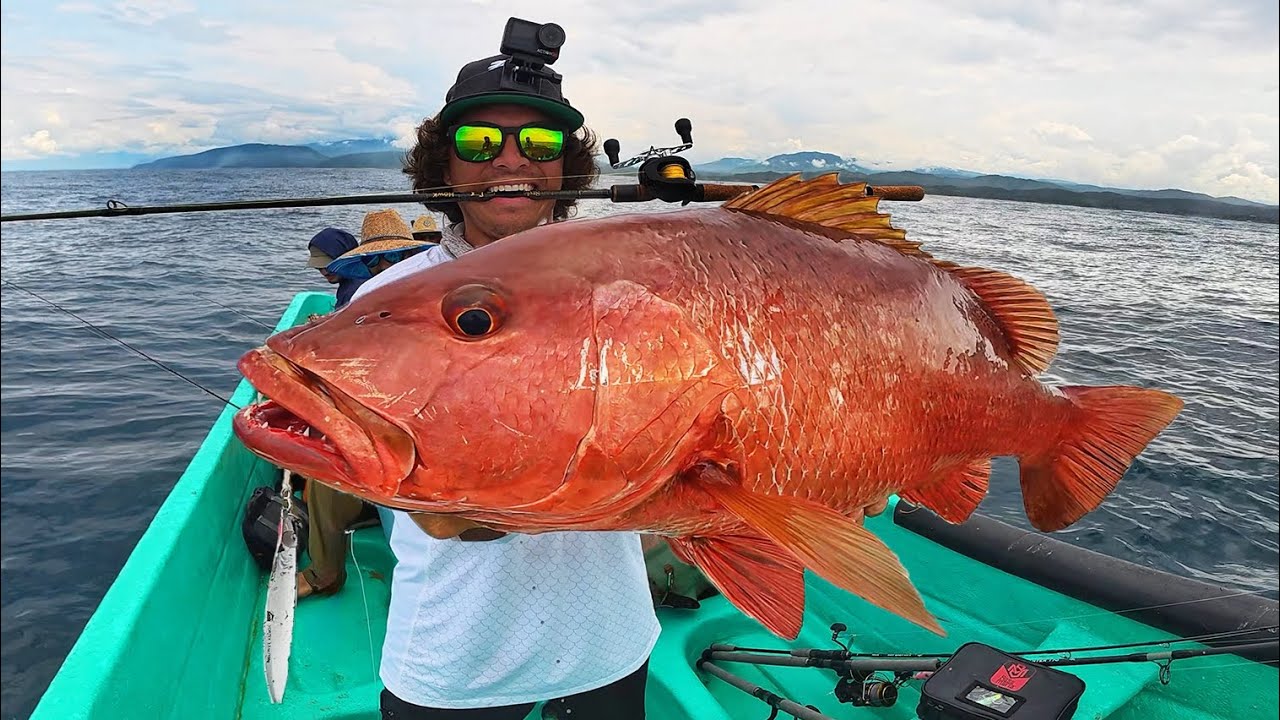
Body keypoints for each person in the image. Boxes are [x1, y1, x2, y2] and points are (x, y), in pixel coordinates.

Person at [349, 49, 661, 720]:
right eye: (480, 139)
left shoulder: (629, 282)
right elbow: (427, 501)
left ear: (566, 164)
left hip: (609, 640)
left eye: (542, 141)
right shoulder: (387, 300)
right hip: (456, 655)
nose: (512, 159)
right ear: (444, 164)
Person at [296, 209, 432, 600]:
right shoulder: (404, 290)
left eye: (391, 259)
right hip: (400, 409)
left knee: (326, 474)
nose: (385, 267)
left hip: (406, 419)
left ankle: (325, 573)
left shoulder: (383, 295)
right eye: (375, 261)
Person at [306, 228, 362, 308]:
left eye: (329, 266)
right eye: (319, 268)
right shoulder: (352, 280)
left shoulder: (353, 292)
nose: (325, 272)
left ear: (346, 259)